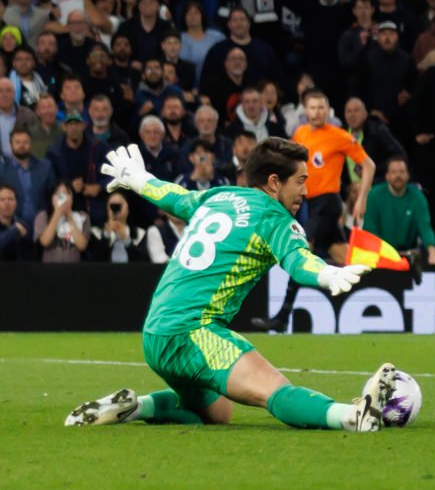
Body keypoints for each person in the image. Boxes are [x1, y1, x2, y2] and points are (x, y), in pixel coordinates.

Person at [62, 138, 396, 432]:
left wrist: (139, 179)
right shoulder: (274, 218)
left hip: (154, 333)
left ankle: (136, 407)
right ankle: (352, 416)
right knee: (275, 389)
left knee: (218, 413)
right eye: (301, 181)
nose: (306, 191)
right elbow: (297, 261)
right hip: (194, 331)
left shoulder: (221, 196)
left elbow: (175, 197)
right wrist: (325, 273)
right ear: (275, 182)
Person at [291, 89, 376, 261]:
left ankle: (289, 289)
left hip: (328, 201)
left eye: (321, 108)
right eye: (312, 108)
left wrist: (362, 198)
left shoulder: (340, 136)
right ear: (305, 110)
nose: (317, 112)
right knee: (341, 253)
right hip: (310, 202)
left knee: (303, 246)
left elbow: (369, 165)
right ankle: (380, 272)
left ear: (328, 110)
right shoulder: (300, 133)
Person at [364, 157, 435, 265]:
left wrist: (433, 254)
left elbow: (425, 228)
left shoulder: (417, 197)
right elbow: (370, 230)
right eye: (394, 172)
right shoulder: (374, 195)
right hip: (380, 255)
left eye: (402, 172)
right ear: (387, 176)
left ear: (408, 176)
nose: (398, 176)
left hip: (408, 255)